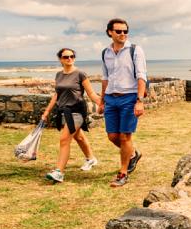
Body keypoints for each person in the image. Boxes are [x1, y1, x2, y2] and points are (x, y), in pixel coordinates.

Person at [99, 18, 153, 187]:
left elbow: (141, 76)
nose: (123, 34)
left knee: (124, 136)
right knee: (112, 136)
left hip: (129, 98)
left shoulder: (135, 50)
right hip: (110, 98)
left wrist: (139, 100)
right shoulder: (105, 53)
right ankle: (132, 154)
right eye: (119, 31)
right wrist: (101, 100)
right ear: (110, 33)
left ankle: (122, 173)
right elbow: (105, 78)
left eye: (125, 31)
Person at [40, 48, 101, 183]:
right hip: (64, 110)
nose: (69, 59)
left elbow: (91, 93)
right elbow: (57, 94)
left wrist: (103, 104)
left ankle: (59, 172)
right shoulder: (59, 75)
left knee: (64, 139)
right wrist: (46, 111)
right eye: (66, 57)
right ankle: (91, 159)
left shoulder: (80, 74)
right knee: (78, 136)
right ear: (60, 59)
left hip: (77, 110)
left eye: (72, 56)